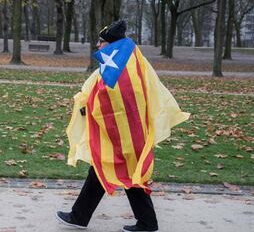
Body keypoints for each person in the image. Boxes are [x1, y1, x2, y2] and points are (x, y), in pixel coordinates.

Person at [56, 20, 190, 232]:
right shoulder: (126, 59)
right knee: (104, 169)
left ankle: (147, 223)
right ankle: (79, 216)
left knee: (127, 173)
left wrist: (91, 108)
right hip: (125, 131)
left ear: (110, 43)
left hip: (126, 132)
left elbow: (117, 96)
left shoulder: (120, 64)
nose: (98, 46)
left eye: (101, 42)